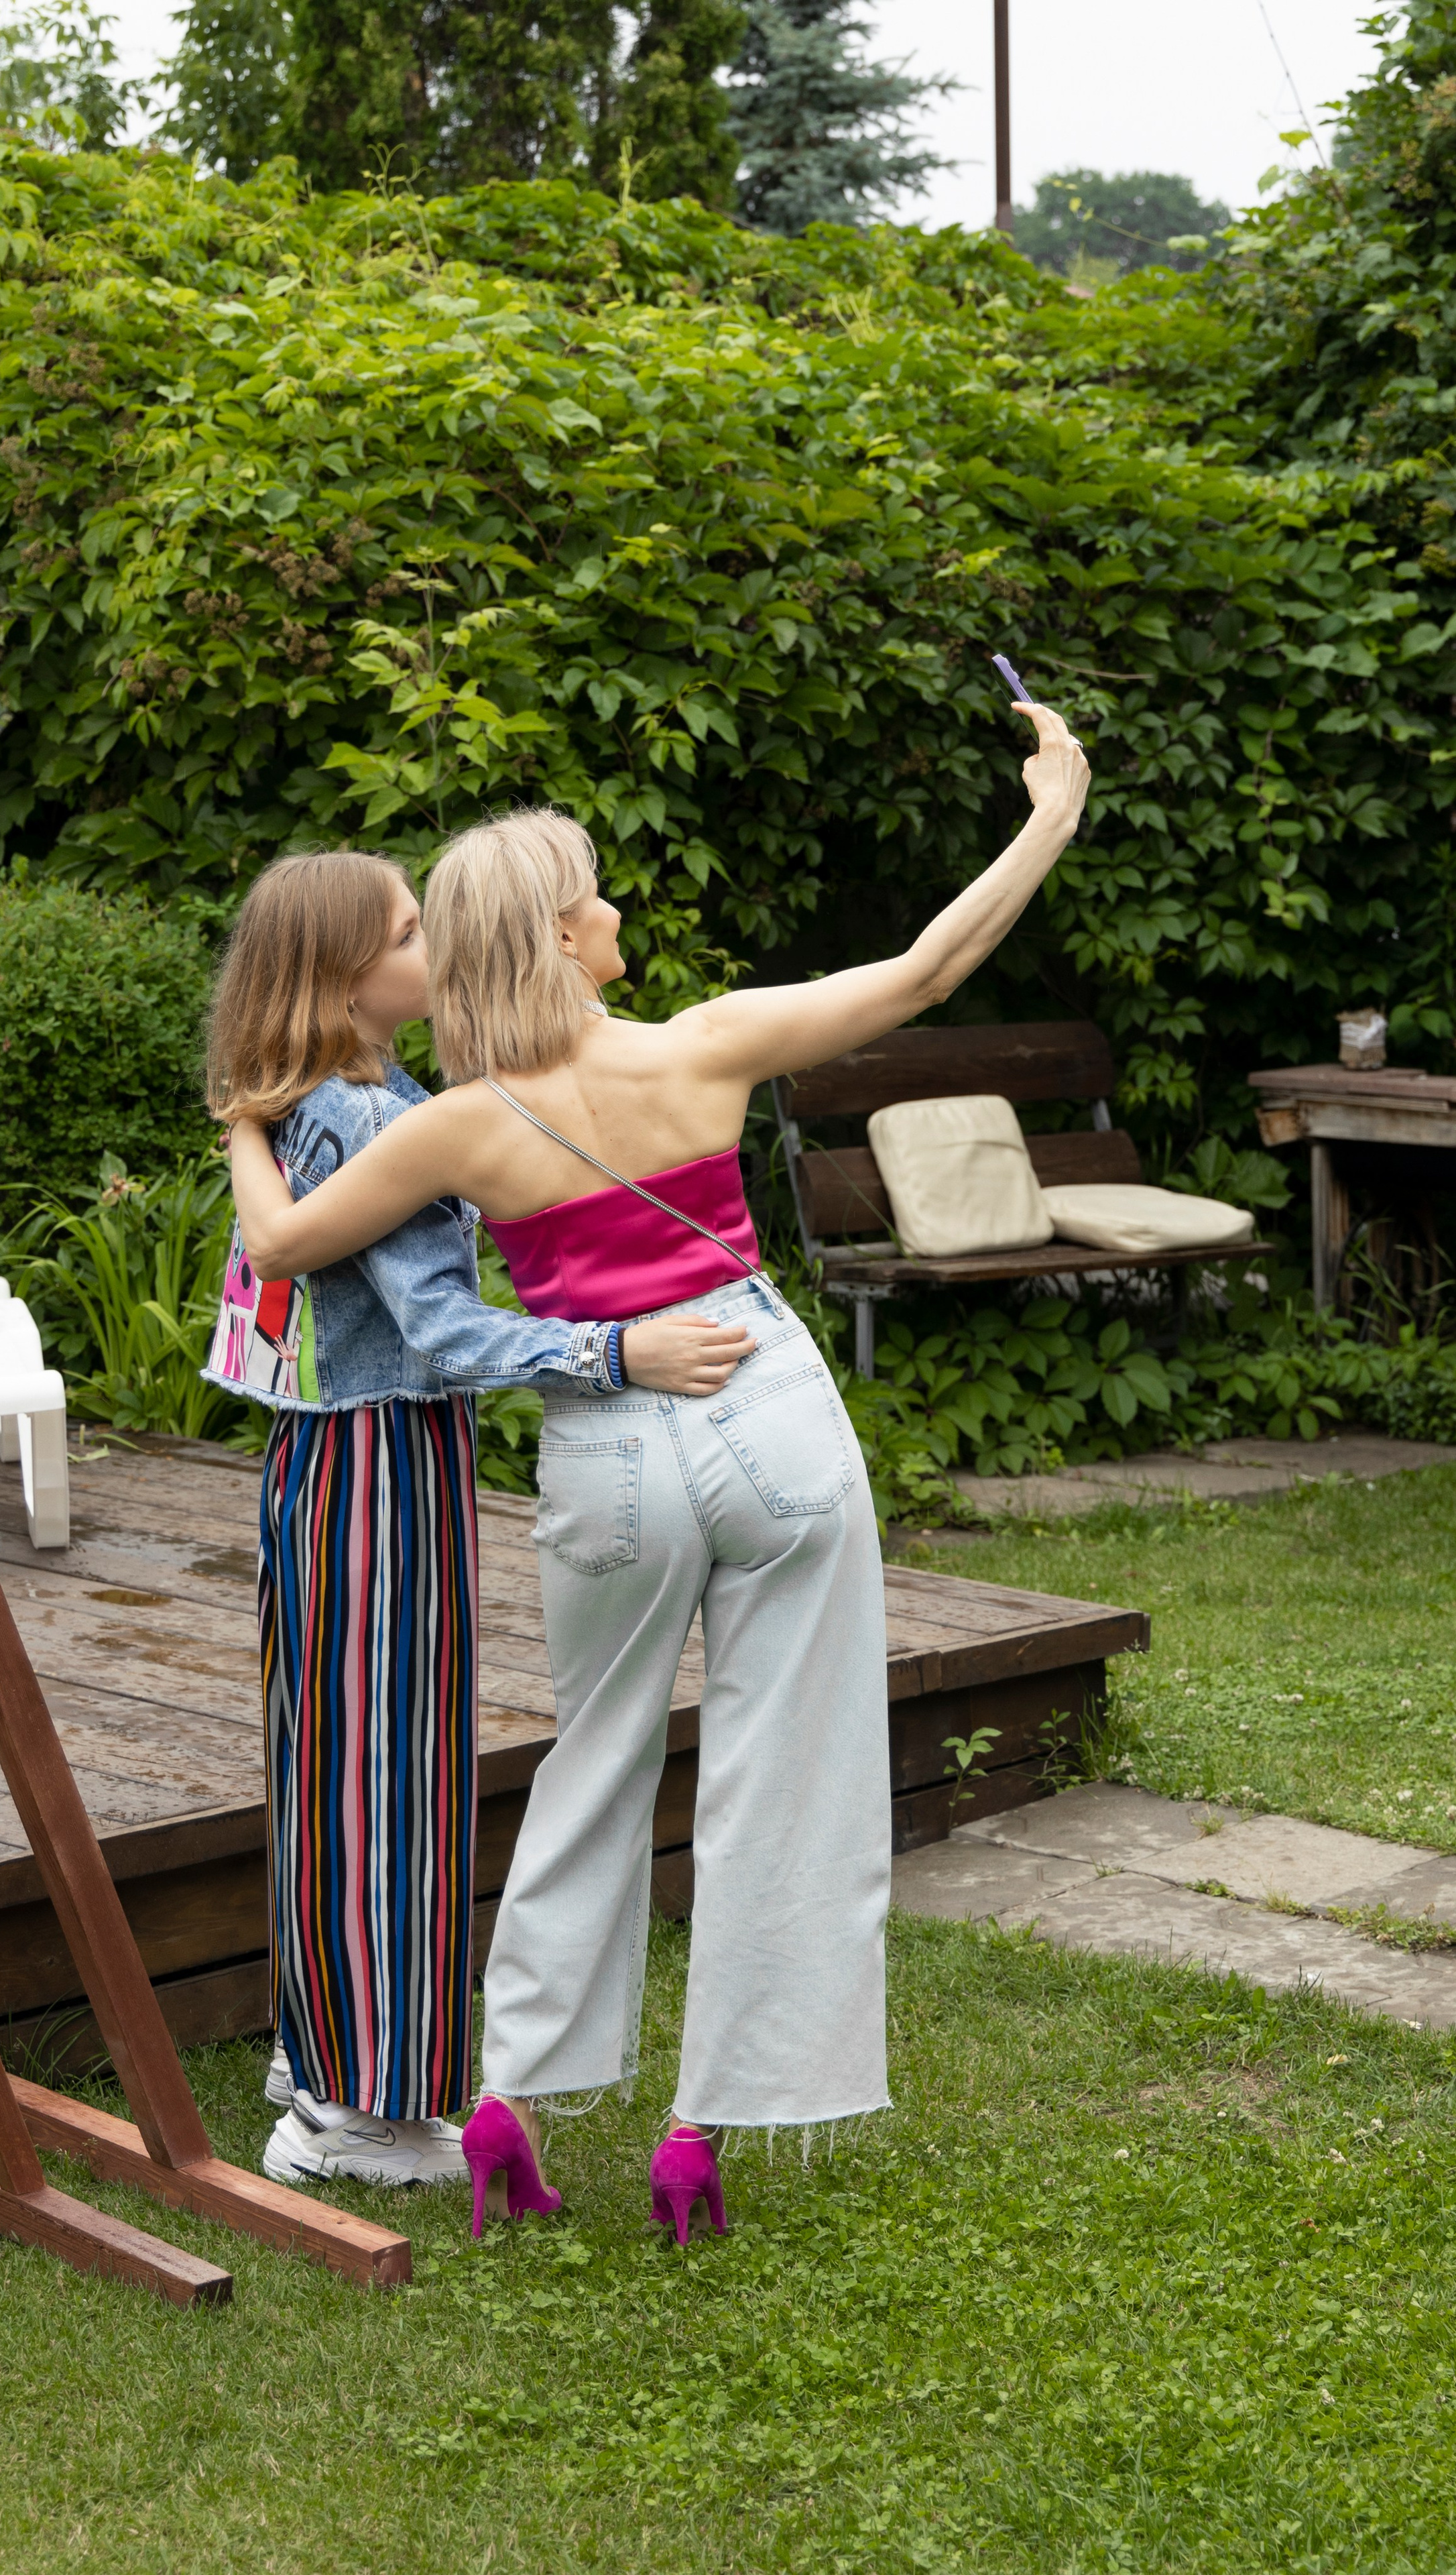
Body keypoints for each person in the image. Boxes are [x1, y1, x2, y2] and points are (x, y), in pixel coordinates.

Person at [225, 705, 1091, 2238]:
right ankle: (701, 2131)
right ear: (565, 934)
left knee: (593, 1762)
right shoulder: (705, 1046)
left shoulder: (454, 1130)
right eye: (599, 893)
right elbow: (929, 968)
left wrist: (245, 1103)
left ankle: (504, 2101)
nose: (617, 909)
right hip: (756, 1399)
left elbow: (286, 1245)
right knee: (789, 1768)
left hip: (605, 1451)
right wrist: (1047, 807)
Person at [202, 848, 753, 2191]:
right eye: (407, 932)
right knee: (387, 1778)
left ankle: (318, 2059)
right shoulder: (367, 1116)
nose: (434, 944)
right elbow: (441, 1333)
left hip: (336, 1463)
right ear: (344, 972)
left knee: (340, 1765)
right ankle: (360, 2116)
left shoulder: (338, 1101)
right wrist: (615, 1356)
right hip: (377, 1466)